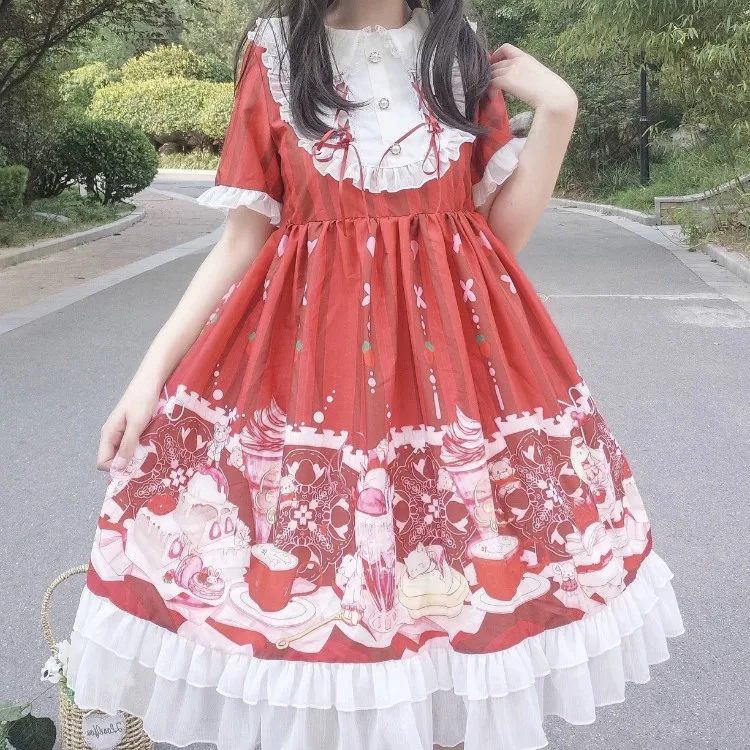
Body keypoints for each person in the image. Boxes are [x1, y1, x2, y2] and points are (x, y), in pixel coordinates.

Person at [66, 1, 684, 749]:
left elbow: (499, 236)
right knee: (324, 613)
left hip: (454, 381)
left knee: (450, 614)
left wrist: (558, 112)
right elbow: (240, 241)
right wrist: (148, 378)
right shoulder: (279, 53)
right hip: (313, 379)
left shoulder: (456, 49)